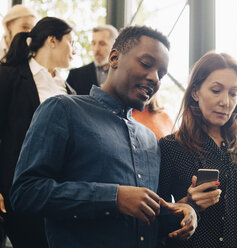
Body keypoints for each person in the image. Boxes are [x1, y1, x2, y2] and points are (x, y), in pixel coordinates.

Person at [10, 25, 197, 248]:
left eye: (161, 74)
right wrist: (114, 198)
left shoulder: (150, 140)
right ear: (114, 58)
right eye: (146, 64)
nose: (154, 78)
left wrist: (183, 212)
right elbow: (25, 192)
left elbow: (143, 222)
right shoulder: (62, 110)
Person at [158, 51, 237, 248]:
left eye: (233, 93)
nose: (226, 102)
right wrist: (189, 204)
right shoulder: (171, 147)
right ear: (195, 92)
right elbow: (155, 220)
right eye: (216, 90)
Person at [0, 16, 76, 248]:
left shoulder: (70, 90)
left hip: (61, 195)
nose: (74, 49)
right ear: (52, 41)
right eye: (71, 42)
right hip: (17, 190)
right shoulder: (8, 76)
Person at [67, 24, 118, 94]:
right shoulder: (75, 76)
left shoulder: (125, 76)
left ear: (114, 46)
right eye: (93, 43)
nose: (96, 49)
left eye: (102, 44)